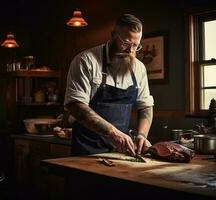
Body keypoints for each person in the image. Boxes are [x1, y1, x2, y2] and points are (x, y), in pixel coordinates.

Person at [65, 14, 154, 156]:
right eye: (125, 43)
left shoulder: (139, 68)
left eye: (136, 46)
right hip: (86, 151)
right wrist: (112, 132)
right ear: (113, 35)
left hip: (120, 152)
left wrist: (142, 135)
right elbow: (75, 106)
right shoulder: (86, 61)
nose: (130, 51)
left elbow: (145, 107)